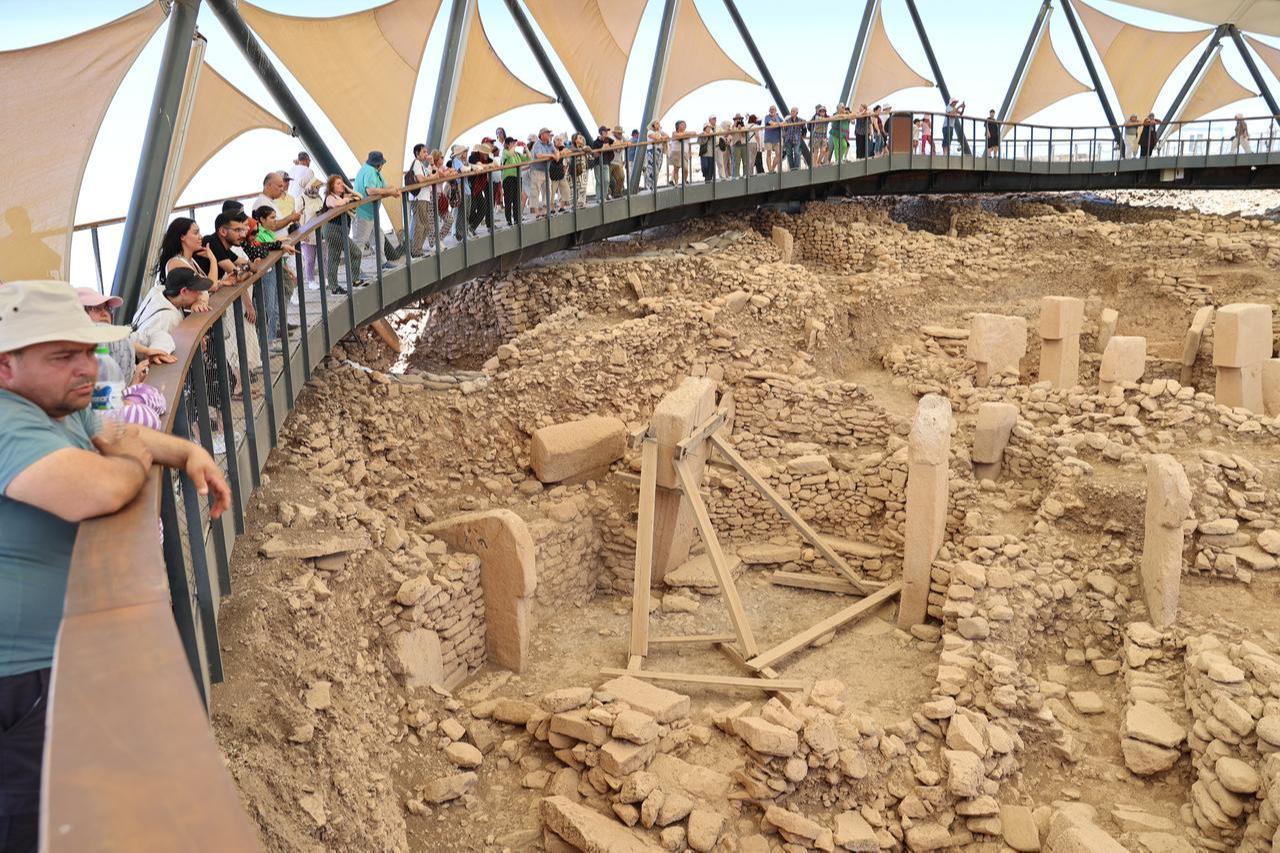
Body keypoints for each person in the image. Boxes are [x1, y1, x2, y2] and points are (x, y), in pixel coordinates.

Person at [0, 282, 231, 853]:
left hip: (53, 655)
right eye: (64, 356)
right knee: (37, 824)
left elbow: (117, 433)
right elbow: (99, 489)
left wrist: (184, 452)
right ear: (6, 367)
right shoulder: (8, 422)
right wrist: (132, 461)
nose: (87, 367)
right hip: (22, 677)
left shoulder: (56, 403)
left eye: (87, 349)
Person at [131, 267, 216, 355]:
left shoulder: (157, 291)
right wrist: (194, 344)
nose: (200, 293)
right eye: (197, 290)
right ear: (183, 291)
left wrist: (199, 301)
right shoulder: (169, 319)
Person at [156, 217, 220, 314]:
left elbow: (205, 285)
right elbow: (211, 286)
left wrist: (222, 282)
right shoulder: (176, 263)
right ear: (182, 237)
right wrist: (213, 259)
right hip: (185, 322)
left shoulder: (191, 261)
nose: (200, 237)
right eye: (195, 233)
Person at [352, 151, 399, 272]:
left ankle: (382, 263)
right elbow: (370, 191)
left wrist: (393, 189)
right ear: (379, 164)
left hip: (371, 214)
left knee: (379, 237)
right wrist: (390, 192)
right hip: (362, 213)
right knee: (359, 242)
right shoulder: (369, 172)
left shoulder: (373, 171)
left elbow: (384, 186)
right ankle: (354, 271)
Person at [321, 175, 364, 295]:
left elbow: (360, 196)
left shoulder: (343, 196)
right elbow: (337, 204)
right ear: (331, 186)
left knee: (334, 258)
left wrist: (347, 189)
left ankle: (333, 286)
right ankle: (353, 280)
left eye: (342, 183)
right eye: (338, 184)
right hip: (332, 229)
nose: (341, 185)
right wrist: (347, 199)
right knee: (355, 252)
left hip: (341, 229)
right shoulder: (330, 197)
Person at [500, 137, 527, 226]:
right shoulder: (505, 152)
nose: (514, 144)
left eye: (514, 142)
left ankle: (516, 219)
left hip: (517, 177)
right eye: (512, 142)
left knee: (516, 199)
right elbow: (509, 155)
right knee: (508, 199)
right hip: (508, 178)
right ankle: (508, 220)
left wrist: (525, 148)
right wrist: (515, 146)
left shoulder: (517, 154)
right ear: (508, 144)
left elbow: (529, 159)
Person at [529, 128, 556, 216]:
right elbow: (539, 155)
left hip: (546, 171)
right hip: (536, 170)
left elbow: (556, 152)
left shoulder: (550, 144)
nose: (549, 135)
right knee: (535, 191)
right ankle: (536, 213)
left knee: (547, 190)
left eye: (549, 133)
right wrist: (551, 155)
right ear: (541, 134)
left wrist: (556, 155)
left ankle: (544, 210)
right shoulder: (537, 144)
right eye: (547, 133)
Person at [645, 121, 667, 191]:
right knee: (651, 169)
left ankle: (654, 186)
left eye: (659, 123)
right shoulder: (650, 132)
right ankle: (649, 187)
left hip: (659, 151)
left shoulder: (659, 132)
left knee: (657, 169)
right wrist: (661, 136)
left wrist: (661, 135)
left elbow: (667, 136)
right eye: (657, 123)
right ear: (653, 125)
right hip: (652, 151)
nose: (659, 125)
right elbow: (657, 138)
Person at [782, 106, 805, 171]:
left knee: (797, 152)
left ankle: (796, 167)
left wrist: (803, 133)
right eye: (791, 111)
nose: (792, 112)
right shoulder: (787, 120)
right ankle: (792, 168)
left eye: (793, 111)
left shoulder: (800, 120)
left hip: (796, 139)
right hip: (788, 139)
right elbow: (784, 128)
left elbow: (804, 124)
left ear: (797, 113)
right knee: (789, 154)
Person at [668, 120, 690, 185]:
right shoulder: (674, 133)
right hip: (676, 152)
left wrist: (689, 152)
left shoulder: (687, 133)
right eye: (682, 124)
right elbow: (677, 136)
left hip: (685, 152)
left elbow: (693, 133)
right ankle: (676, 183)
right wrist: (684, 135)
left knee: (686, 169)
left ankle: (684, 182)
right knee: (676, 169)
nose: (683, 126)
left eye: (684, 124)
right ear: (677, 126)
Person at [763, 105, 782, 171]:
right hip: (768, 139)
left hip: (777, 139)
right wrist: (778, 124)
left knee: (778, 155)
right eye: (771, 109)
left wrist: (778, 123)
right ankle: (769, 170)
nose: (772, 110)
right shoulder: (767, 117)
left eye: (773, 109)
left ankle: (772, 168)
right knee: (769, 154)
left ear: (776, 110)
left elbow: (783, 123)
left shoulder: (778, 117)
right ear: (769, 110)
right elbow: (770, 123)